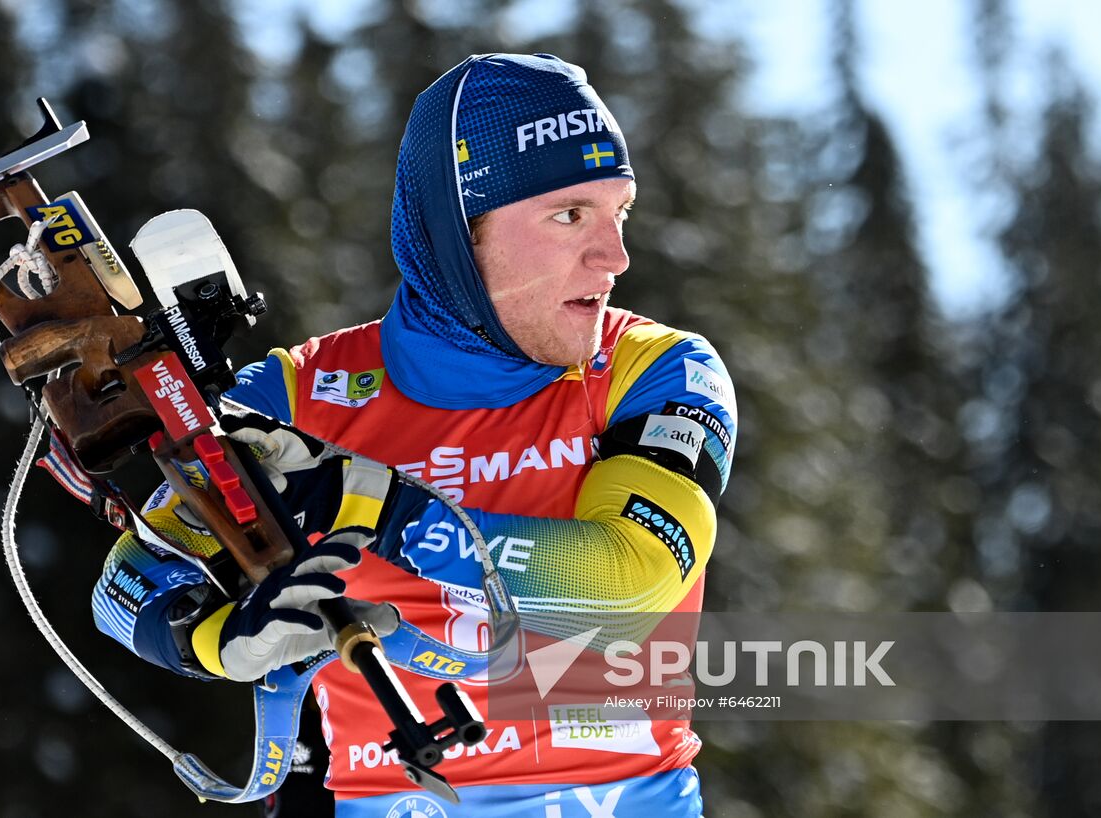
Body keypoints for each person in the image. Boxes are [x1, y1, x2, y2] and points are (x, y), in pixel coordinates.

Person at [91, 53, 736, 817]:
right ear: (458, 230)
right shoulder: (295, 396)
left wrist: (378, 506)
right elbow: (126, 589)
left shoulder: (654, 369)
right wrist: (220, 640)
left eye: (617, 213)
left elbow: (630, 581)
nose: (615, 257)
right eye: (570, 215)